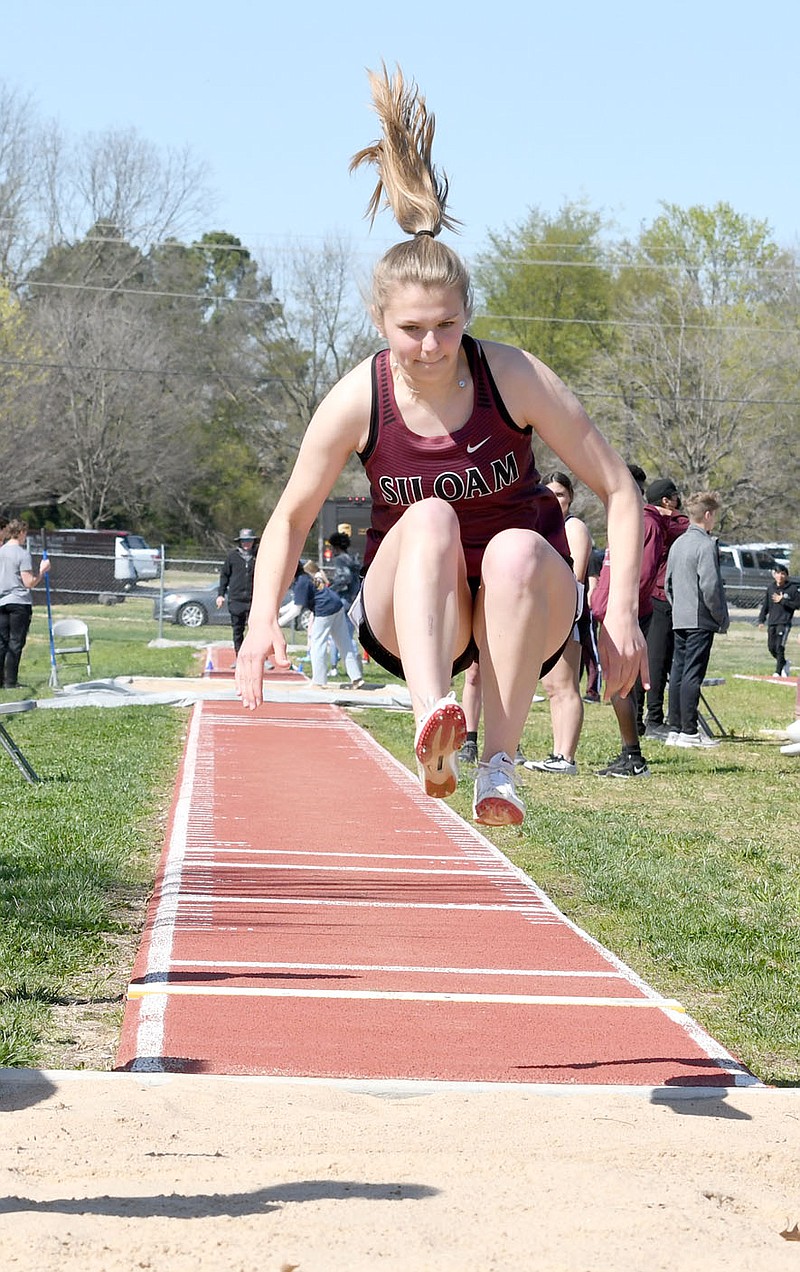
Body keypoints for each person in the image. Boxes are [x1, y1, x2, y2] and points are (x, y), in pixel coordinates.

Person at [235, 65, 647, 826]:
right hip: (419, 607)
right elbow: (292, 516)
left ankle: (499, 766)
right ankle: (434, 719)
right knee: (428, 517)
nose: (430, 346)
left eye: (446, 327)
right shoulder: (361, 397)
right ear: (380, 322)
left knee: (515, 549)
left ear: (467, 314)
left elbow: (620, 489)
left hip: (520, 604)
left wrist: (619, 611)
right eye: (411, 329)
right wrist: (263, 618)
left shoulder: (513, 376)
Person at [591, 465, 662, 778]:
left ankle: (633, 757)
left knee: (622, 686)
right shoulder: (620, 521)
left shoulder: (645, 522)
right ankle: (629, 753)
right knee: (619, 687)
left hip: (624, 616)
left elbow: (642, 575)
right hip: (606, 612)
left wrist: (623, 612)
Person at [523, 472, 593, 775]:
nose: (554, 499)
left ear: (571, 498)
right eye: (548, 494)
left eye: (560, 494)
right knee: (551, 686)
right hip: (544, 615)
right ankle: (557, 754)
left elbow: (574, 576)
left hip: (566, 614)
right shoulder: (542, 527)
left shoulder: (573, 527)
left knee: (565, 687)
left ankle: (566, 757)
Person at [664, 491, 729, 748]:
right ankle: (690, 732)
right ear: (708, 514)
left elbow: (668, 583)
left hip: (680, 616)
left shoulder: (678, 544)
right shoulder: (705, 545)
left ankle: (675, 728)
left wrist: (678, 605)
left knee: (678, 672)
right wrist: (719, 616)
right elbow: (711, 587)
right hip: (700, 618)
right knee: (693, 673)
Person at [641, 478, 689, 739]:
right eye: (675, 497)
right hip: (659, 597)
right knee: (657, 660)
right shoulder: (664, 522)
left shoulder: (645, 518)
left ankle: (647, 717)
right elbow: (687, 527)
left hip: (653, 597)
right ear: (666, 500)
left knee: (656, 659)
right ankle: (654, 718)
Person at [295, 561, 364, 689]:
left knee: (317, 644)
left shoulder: (300, 582)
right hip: (336, 604)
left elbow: (296, 610)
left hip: (325, 609)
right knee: (344, 643)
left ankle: (318, 681)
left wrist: (278, 622)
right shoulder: (309, 577)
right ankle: (356, 678)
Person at [0, 519, 51, 689]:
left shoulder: (1, 551)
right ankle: (10, 682)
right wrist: (42, 572)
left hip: (1, 602)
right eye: (25, 533)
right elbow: (28, 582)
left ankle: (1, 680)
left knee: (2, 643)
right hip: (18, 603)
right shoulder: (22, 554)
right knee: (15, 643)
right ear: (21, 532)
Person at [216, 529, 257, 656]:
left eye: (249, 541)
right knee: (238, 629)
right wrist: (221, 594)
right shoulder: (232, 556)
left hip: (253, 599)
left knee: (255, 630)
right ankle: (239, 656)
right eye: (244, 541)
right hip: (236, 599)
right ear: (240, 542)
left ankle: (258, 656)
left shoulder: (258, 556)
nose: (246, 544)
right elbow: (224, 576)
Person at [757, 564, 799, 677]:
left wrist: (783, 600)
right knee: (771, 647)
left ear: (786, 575)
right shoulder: (771, 588)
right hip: (772, 622)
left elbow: (797, 604)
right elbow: (765, 605)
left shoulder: (792, 589)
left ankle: (778, 671)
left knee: (779, 646)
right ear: (774, 575)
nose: (780, 576)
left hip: (784, 622)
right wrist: (761, 620)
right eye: (777, 573)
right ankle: (784, 663)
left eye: (782, 573)